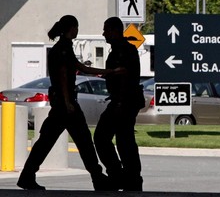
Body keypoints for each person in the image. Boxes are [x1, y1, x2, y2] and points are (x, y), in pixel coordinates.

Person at [17, 15, 119, 191]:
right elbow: (64, 75)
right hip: (66, 104)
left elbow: (81, 68)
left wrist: (108, 71)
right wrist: (67, 101)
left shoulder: (63, 48)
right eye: (76, 27)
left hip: (61, 104)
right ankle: (97, 178)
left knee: (48, 141)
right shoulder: (63, 48)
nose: (77, 30)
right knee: (83, 141)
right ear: (71, 28)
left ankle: (27, 175)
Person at [94, 17, 145, 191]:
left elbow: (125, 77)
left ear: (115, 31)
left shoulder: (123, 51)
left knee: (110, 138)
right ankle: (127, 177)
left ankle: (123, 176)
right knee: (123, 139)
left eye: (106, 30)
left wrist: (120, 102)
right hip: (122, 101)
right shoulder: (119, 49)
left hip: (124, 101)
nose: (104, 34)